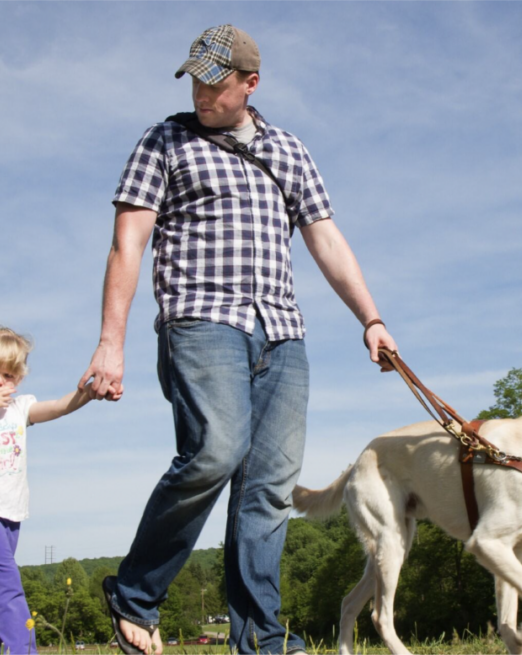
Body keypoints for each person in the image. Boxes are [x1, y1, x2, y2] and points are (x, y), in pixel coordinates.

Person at [80, 24, 397, 655]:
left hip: (281, 331)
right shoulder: (163, 140)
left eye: (216, 83)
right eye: (194, 79)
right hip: (201, 321)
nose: (201, 92)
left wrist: (371, 317)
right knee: (216, 452)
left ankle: (259, 638)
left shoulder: (287, 148)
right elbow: (127, 244)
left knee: (269, 488)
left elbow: (326, 239)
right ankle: (135, 595)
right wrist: (109, 342)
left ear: (250, 83)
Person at [0, 326, 117, 655]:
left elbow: (58, 406)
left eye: (8, 375)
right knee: (7, 587)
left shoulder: (19, 409)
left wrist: (88, 394)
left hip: (11, 515)